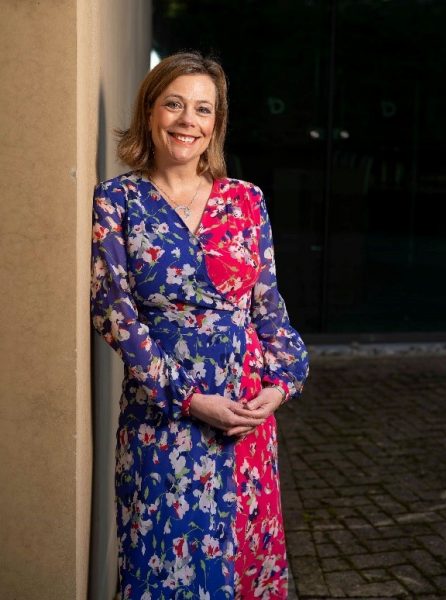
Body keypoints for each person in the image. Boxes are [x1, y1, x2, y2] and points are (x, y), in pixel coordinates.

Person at [90, 51, 309, 600]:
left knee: (242, 563)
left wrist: (279, 386)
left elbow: (268, 305)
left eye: (203, 109)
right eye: (175, 104)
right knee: (161, 562)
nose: (188, 120)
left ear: (216, 123)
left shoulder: (246, 200)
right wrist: (188, 399)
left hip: (245, 418)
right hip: (162, 419)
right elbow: (113, 310)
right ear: (150, 112)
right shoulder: (117, 200)